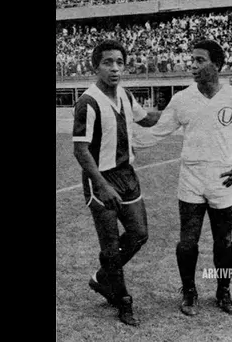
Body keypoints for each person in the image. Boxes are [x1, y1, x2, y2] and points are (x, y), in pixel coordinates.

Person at [132, 39, 232, 316]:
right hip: (190, 179)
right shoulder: (182, 99)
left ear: (218, 65)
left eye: (200, 60)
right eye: (192, 60)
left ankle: (223, 291)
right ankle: (189, 291)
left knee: (223, 242)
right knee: (187, 242)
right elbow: (156, 134)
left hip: (223, 180)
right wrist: (124, 143)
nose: (193, 66)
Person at [72, 39, 162, 326]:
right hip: (101, 179)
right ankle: (122, 300)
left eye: (119, 62)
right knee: (111, 246)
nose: (114, 68)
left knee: (139, 234)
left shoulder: (124, 94)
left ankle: (102, 277)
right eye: (108, 62)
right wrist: (100, 184)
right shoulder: (88, 101)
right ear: (95, 66)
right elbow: (81, 149)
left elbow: (146, 120)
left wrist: (180, 110)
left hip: (126, 175)